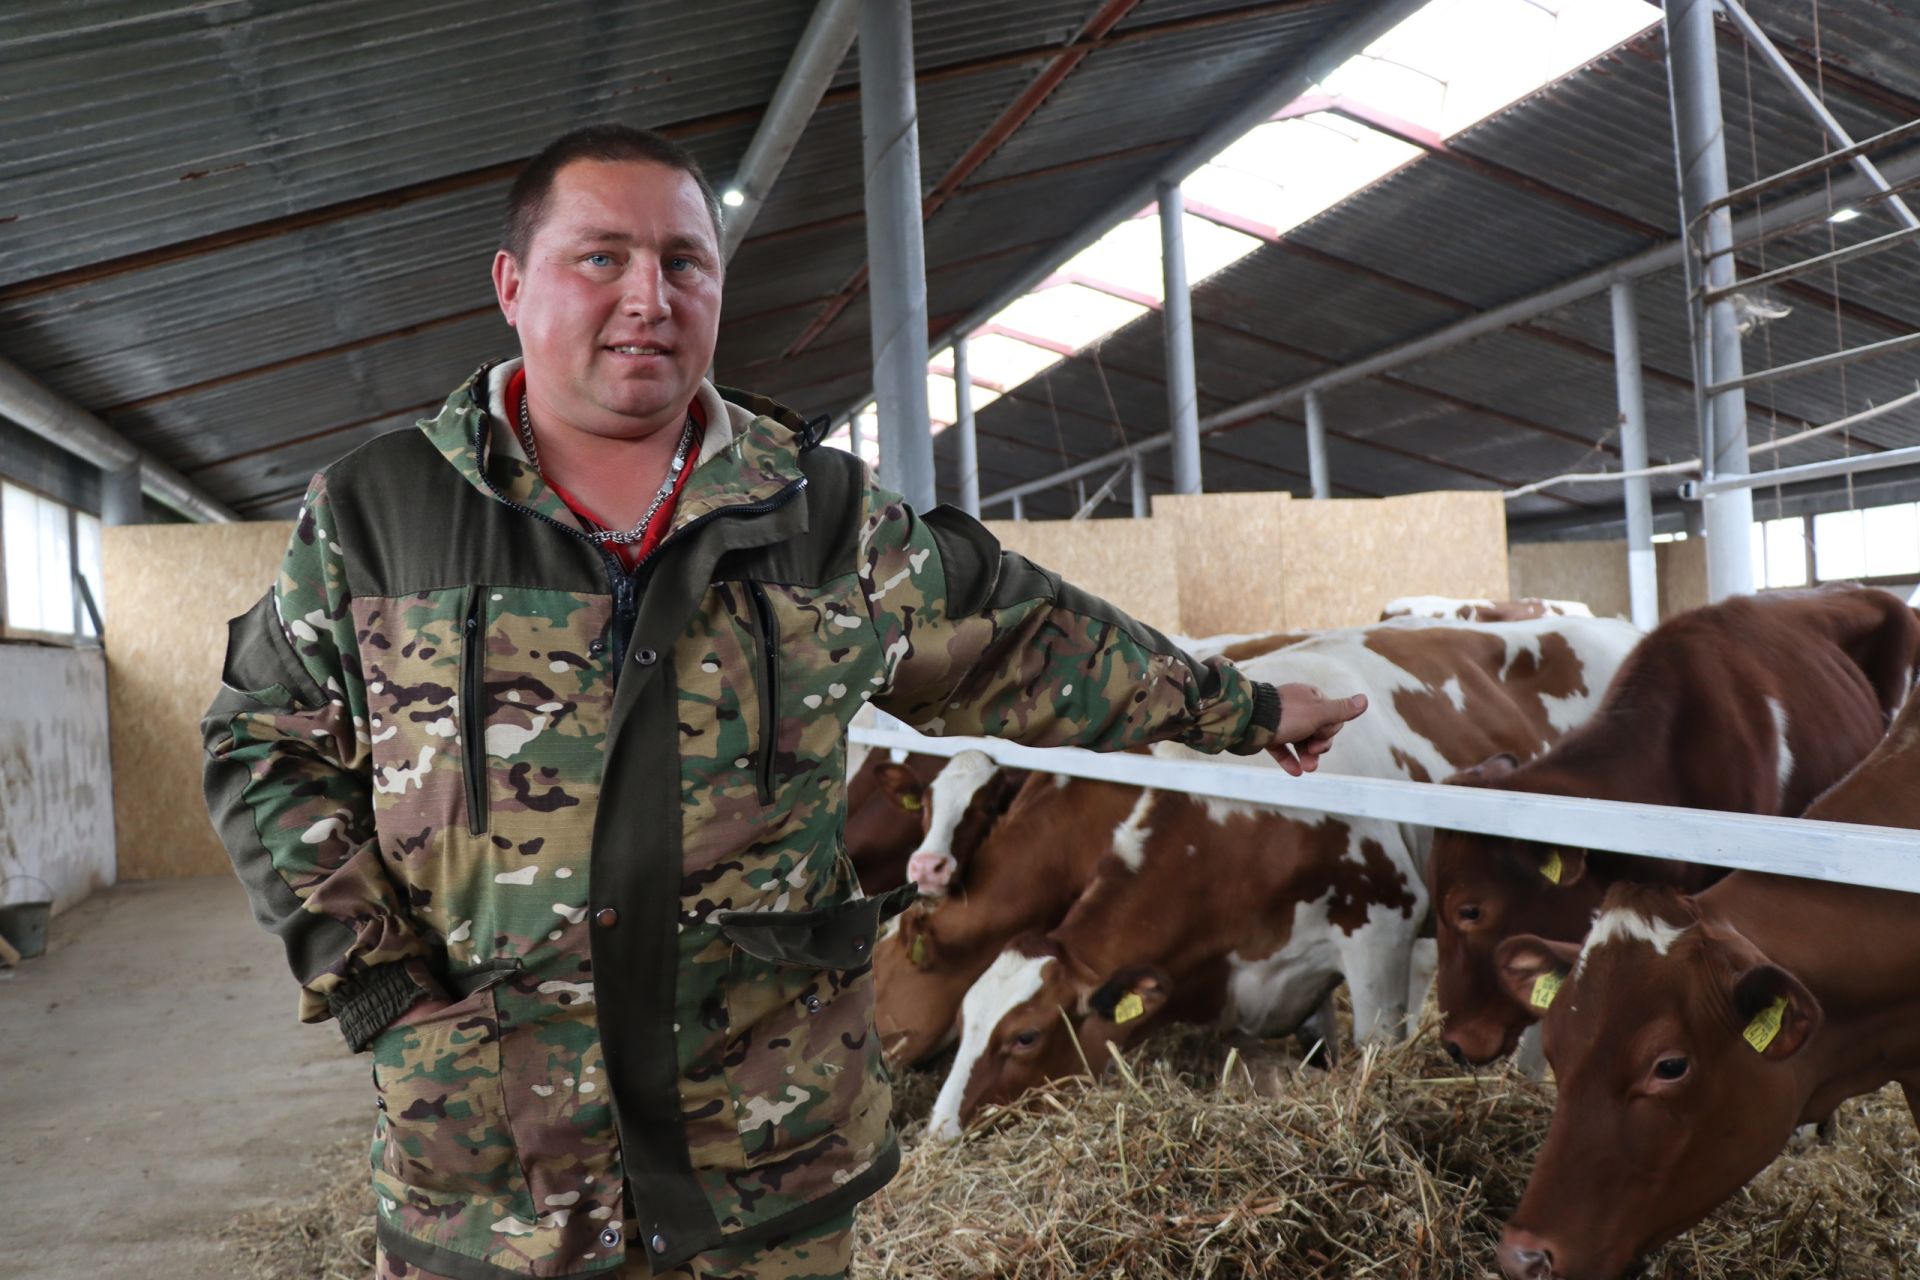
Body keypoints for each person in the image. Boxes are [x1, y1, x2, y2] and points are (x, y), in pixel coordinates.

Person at [202, 124, 1366, 1280]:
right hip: (493, 1176)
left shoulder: (817, 515)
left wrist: (1253, 710)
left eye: (684, 261)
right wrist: (378, 983)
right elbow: (264, 739)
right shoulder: (379, 513)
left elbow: (1033, 643)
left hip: (763, 1164)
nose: (649, 295)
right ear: (513, 284)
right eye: (600, 257)